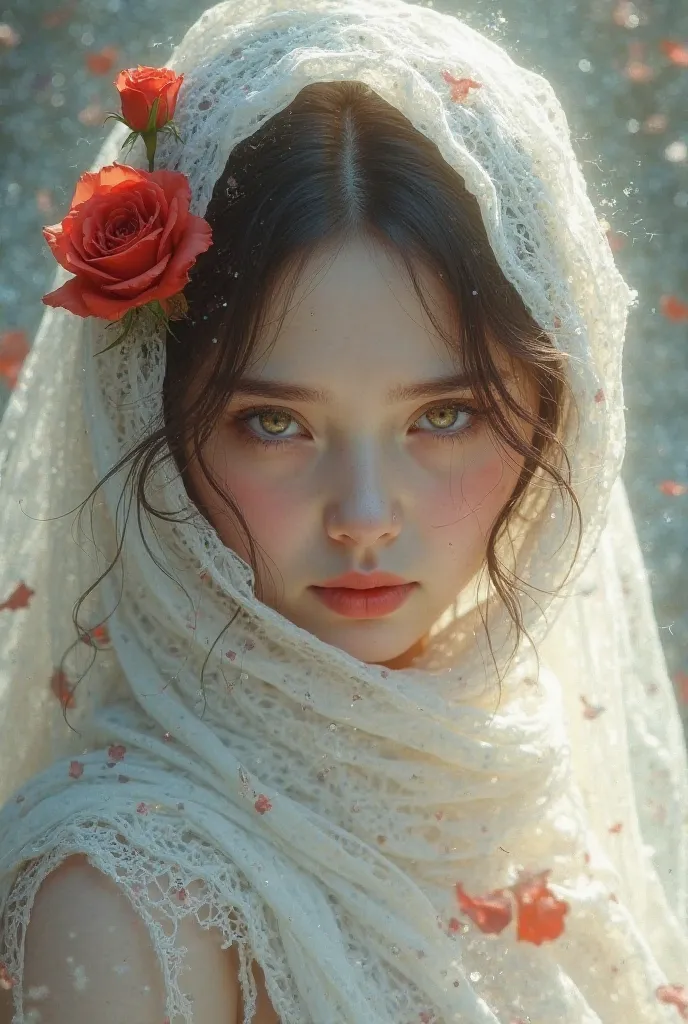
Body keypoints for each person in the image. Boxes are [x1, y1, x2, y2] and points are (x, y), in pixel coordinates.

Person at [0, 0, 687, 1021]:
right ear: (152, 415)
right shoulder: (127, 898)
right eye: (275, 423)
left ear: (554, 415)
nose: (362, 516)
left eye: (443, 414)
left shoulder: (513, 772)